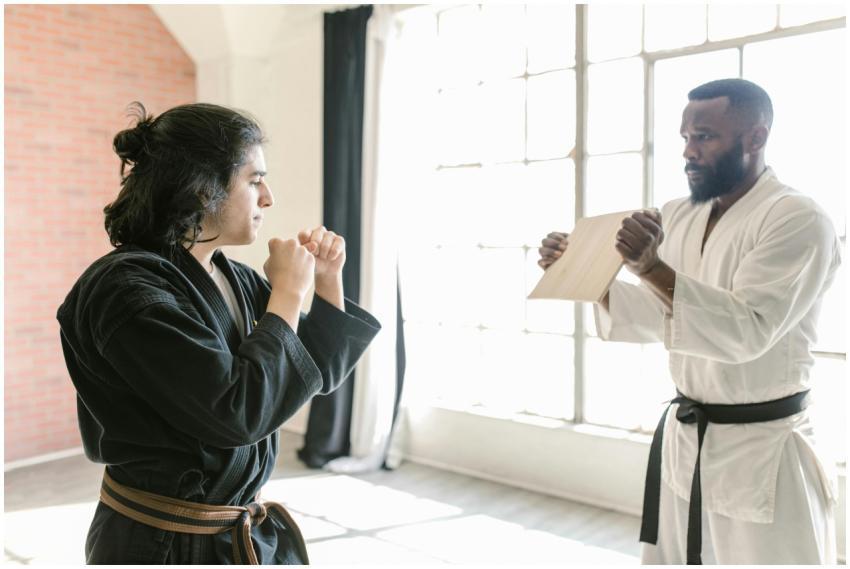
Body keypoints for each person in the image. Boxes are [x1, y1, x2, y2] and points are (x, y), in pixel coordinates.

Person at [57, 102, 381, 564]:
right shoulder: (126, 290)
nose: (268, 198)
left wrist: (327, 281)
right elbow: (236, 415)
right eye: (253, 180)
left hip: (229, 533)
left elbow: (314, 373)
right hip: (162, 543)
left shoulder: (233, 277)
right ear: (201, 186)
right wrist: (288, 294)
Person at [538, 78, 840, 564]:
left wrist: (651, 267)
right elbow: (661, 316)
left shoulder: (797, 219)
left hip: (762, 451)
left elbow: (748, 330)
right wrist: (583, 271)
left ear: (755, 138)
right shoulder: (680, 214)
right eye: (684, 138)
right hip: (687, 440)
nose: (689, 152)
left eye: (704, 137)